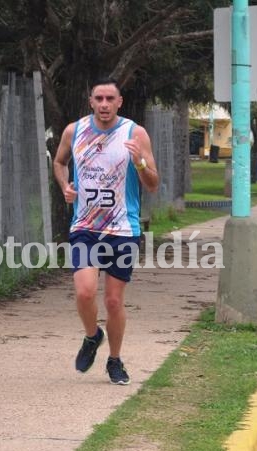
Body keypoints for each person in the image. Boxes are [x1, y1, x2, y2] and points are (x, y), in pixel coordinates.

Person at [52, 77, 159, 386]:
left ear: (119, 102)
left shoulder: (134, 133)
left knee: (113, 301)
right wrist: (65, 186)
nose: (104, 104)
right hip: (85, 225)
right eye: (98, 98)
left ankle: (114, 359)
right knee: (84, 291)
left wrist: (139, 161)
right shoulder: (74, 131)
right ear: (91, 101)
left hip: (123, 228)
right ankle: (91, 335)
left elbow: (152, 184)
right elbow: (59, 162)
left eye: (110, 99)